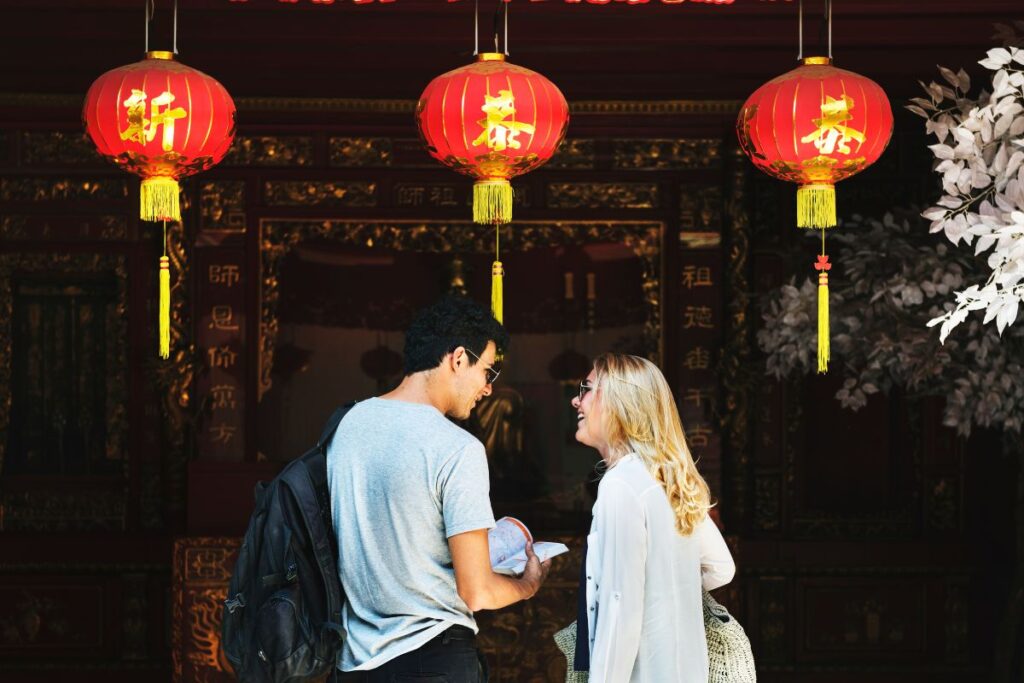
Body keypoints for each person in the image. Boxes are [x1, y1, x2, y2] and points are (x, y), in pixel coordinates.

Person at [328, 295, 552, 682]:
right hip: (431, 659)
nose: (488, 389)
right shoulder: (457, 448)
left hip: (353, 662)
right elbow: (477, 591)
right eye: (488, 372)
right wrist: (529, 584)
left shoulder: (348, 426)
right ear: (459, 358)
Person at [570, 353, 736, 682]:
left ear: (618, 402)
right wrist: (665, 592)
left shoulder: (621, 484)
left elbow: (620, 607)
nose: (577, 400)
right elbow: (721, 568)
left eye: (586, 389)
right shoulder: (670, 478)